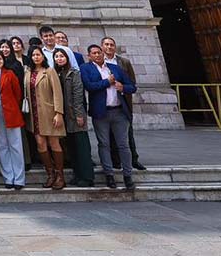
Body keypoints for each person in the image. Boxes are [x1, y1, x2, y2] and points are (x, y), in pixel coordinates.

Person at [82, 44, 137, 190]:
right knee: (104, 144)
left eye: (99, 52)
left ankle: (127, 175)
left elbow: (132, 86)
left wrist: (123, 87)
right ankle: (109, 174)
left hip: (119, 111)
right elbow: (89, 86)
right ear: (89, 56)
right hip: (101, 113)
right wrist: (107, 82)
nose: (97, 55)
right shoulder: (86, 69)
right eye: (94, 53)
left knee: (123, 145)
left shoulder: (115, 68)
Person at [24, 45, 66, 190]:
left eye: (38, 54)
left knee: (54, 143)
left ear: (43, 56)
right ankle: (50, 173)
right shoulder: (28, 72)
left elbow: (57, 93)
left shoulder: (49, 71)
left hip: (49, 113)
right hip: (34, 114)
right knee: (40, 144)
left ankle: (60, 175)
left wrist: (58, 112)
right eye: (33, 55)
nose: (36, 57)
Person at [102, 36, 145, 170]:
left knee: (128, 134)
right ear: (102, 46)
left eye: (111, 44)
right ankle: (116, 160)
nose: (109, 47)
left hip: (123, 104)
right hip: (106, 104)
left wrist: (123, 87)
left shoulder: (124, 62)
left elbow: (132, 83)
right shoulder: (97, 62)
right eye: (106, 44)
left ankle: (134, 159)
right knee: (109, 135)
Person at [54, 49, 92, 187]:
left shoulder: (74, 73)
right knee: (72, 148)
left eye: (62, 56)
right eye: (57, 56)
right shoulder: (57, 74)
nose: (59, 59)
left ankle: (87, 176)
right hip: (64, 116)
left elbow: (78, 96)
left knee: (81, 146)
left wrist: (79, 115)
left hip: (75, 115)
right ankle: (77, 175)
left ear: (67, 58)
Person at [0, 52, 26, 190]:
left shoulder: (10, 74)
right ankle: (8, 176)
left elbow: (18, 94)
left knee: (15, 145)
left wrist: (12, 106)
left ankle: (19, 178)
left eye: (0, 59)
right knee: (1, 145)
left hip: (11, 110)